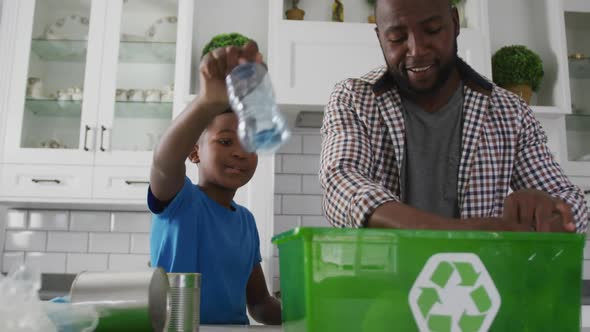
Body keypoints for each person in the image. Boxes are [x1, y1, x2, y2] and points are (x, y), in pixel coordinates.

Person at [319, 0, 589, 233]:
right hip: (384, 287)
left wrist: (552, 212)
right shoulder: (353, 98)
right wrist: (464, 231)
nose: (416, 49)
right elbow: (341, 183)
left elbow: (572, 203)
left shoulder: (511, 112)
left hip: (477, 289)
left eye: (432, 30)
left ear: (455, 23)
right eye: (397, 38)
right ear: (380, 38)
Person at [148, 40, 282, 325]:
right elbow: (164, 162)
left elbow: (259, 305)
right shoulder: (181, 201)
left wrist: (310, 308)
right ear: (194, 152)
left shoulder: (246, 222)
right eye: (225, 141)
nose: (239, 151)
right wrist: (206, 103)